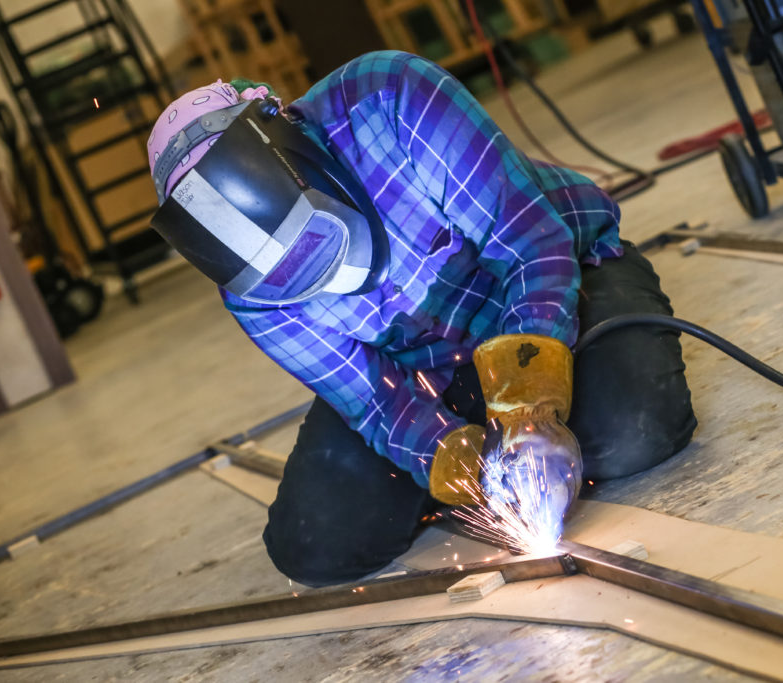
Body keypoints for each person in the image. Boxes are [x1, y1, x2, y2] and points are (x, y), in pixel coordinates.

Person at [146, 50, 696, 587]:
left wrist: (530, 407)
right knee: (315, 546)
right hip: (421, 366)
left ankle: (530, 412)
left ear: (292, 148)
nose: (323, 276)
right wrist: (454, 457)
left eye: (312, 242)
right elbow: (376, 400)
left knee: (634, 432)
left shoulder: (389, 98)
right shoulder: (248, 290)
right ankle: (484, 444)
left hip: (554, 281)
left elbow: (530, 243)